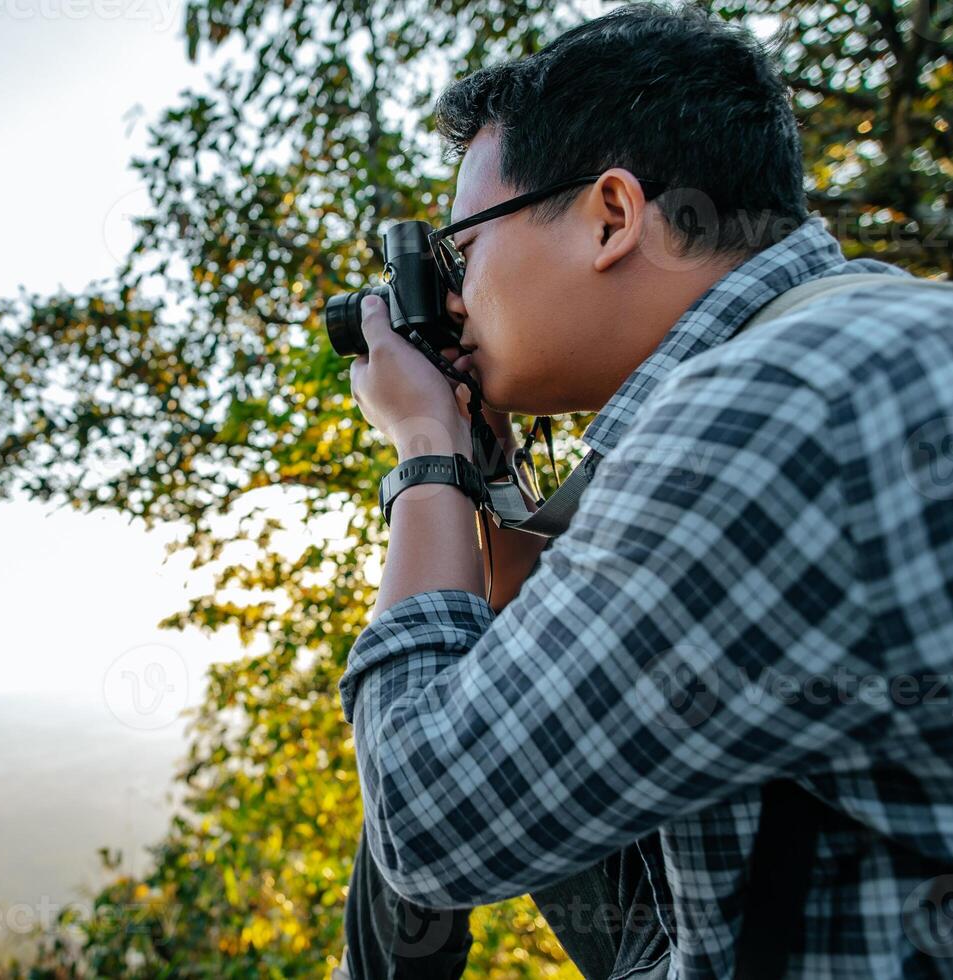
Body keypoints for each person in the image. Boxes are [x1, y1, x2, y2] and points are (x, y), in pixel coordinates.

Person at [335, 4, 953, 978]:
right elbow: (549, 669)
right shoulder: (861, 334)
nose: (455, 297)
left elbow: (427, 820)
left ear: (612, 216)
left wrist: (423, 449)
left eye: (467, 247)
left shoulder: (762, 412)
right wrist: (480, 460)